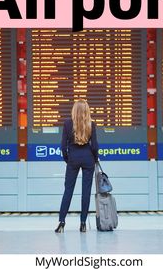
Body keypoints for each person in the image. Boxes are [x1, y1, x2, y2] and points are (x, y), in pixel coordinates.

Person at [55, 99, 99, 233]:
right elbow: (95, 146)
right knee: (86, 192)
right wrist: (95, 159)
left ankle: (62, 223)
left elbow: (63, 146)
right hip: (88, 159)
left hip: (73, 158)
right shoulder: (91, 124)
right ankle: (83, 224)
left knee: (68, 191)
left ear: (74, 110)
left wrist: (67, 159)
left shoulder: (67, 124)